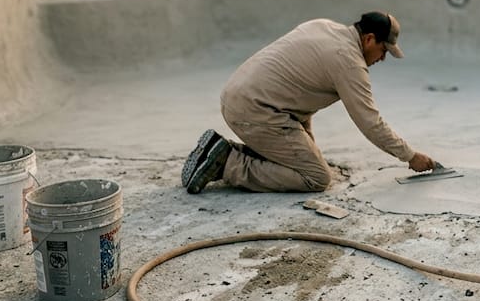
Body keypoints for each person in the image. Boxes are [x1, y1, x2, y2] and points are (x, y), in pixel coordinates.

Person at [182, 11, 436, 194]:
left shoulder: (323, 26)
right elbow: (370, 122)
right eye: (384, 50)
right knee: (315, 178)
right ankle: (227, 163)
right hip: (256, 112)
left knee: (305, 161)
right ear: (369, 39)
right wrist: (410, 156)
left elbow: (298, 92)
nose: (382, 58)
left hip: (238, 97)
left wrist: (308, 146)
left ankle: (218, 150)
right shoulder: (348, 62)